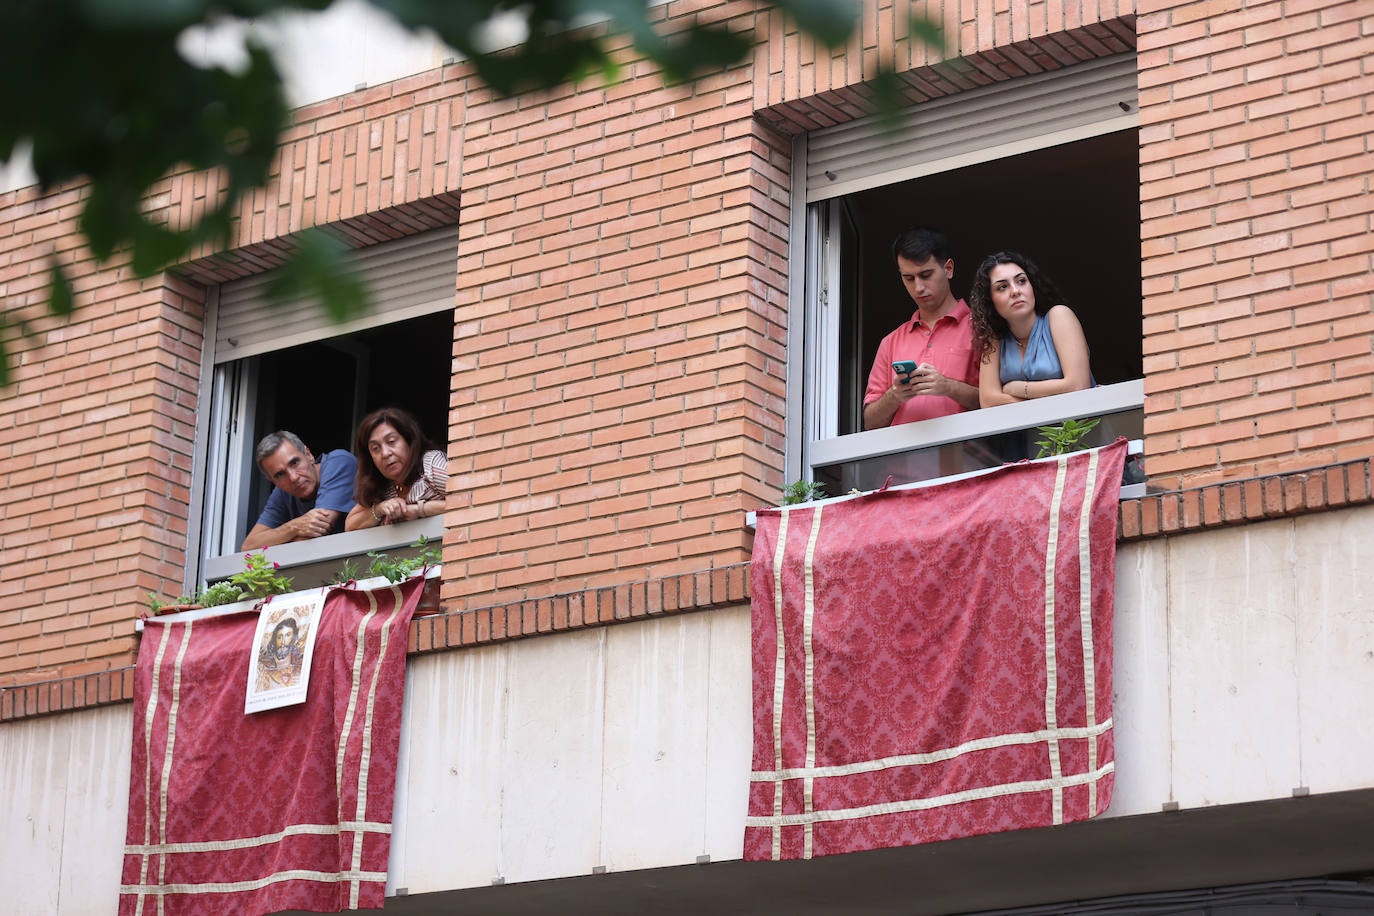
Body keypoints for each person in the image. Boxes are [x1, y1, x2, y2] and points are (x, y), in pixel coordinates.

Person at [863, 227, 982, 429]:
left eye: (926, 275)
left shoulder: (981, 329)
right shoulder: (890, 341)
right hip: (902, 460)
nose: (918, 287)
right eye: (909, 278)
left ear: (948, 268)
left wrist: (948, 387)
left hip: (968, 458)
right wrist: (894, 395)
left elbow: (999, 403)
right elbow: (870, 423)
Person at [968, 251, 1093, 408]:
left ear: (1032, 285)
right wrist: (1050, 396)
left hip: (1079, 428)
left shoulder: (1059, 316)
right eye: (1002, 287)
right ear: (990, 300)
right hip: (1026, 432)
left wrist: (1020, 389)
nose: (1015, 291)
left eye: (1021, 281)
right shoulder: (994, 338)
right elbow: (988, 401)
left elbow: (1078, 385)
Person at [240, 431, 357, 550]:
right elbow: (249, 546)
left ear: (308, 455)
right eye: (280, 474)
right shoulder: (282, 492)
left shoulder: (338, 462)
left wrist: (279, 539)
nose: (293, 477)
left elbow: (319, 527)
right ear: (272, 480)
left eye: (294, 463)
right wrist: (294, 527)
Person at [345, 407, 448, 530]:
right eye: (375, 449)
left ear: (409, 440)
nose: (385, 453)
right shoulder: (384, 486)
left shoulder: (430, 464)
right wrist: (380, 508)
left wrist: (420, 509)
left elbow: (471, 500)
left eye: (391, 441)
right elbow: (350, 525)